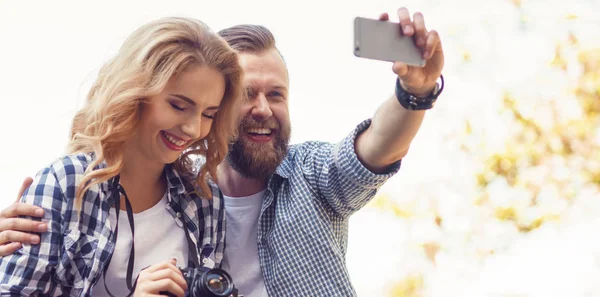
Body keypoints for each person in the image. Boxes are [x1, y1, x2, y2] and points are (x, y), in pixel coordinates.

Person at [0, 7, 444, 296]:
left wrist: (415, 91)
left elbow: (376, 148)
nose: (264, 109)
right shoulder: (179, 194)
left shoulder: (303, 177)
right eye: (248, 94)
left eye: (277, 94)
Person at [0, 17, 243, 297]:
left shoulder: (203, 200)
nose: (193, 128)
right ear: (134, 93)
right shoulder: (65, 184)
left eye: (208, 114)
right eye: (178, 106)